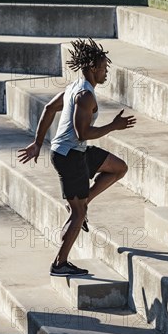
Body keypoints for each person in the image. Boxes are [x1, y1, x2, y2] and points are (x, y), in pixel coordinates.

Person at [18, 38, 136, 277]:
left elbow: (49, 109)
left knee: (119, 168)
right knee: (79, 214)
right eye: (103, 68)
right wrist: (113, 126)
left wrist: (38, 143)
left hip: (75, 151)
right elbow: (83, 133)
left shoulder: (76, 86)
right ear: (92, 68)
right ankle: (60, 264)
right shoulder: (84, 95)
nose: (106, 73)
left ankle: (81, 203)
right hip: (69, 156)